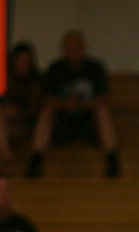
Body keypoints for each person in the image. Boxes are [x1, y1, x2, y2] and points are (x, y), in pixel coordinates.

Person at [25, 30, 121, 179]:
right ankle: (35, 161)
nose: (71, 50)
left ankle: (112, 160)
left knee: (103, 111)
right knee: (46, 112)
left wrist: (82, 104)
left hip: (89, 122)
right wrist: (65, 104)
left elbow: (104, 98)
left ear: (83, 47)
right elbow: (47, 99)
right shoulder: (55, 68)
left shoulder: (95, 68)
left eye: (75, 46)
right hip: (62, 123)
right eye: (68, 47)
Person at [0, 42, 43, 174]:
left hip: (24, 125)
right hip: (4, 124)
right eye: (20, 60)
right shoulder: (6, 79)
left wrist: (17, 112)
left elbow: (34, 110)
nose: (23, 63)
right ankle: (6, 159)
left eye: (27, 60)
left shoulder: (35, 81)